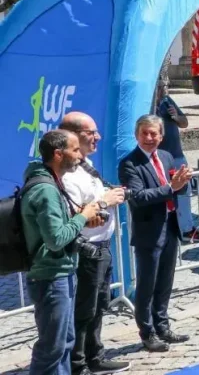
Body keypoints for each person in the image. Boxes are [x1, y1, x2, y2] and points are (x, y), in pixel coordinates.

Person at [21, 130, 102, 374]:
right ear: (58, 154)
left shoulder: (50, 181)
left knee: (64, 343)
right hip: (50, 277)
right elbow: (56, 239)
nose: (80, 155)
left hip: (60, 272)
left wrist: (81, 220)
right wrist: (82, 217)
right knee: (52, 348)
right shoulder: (45, 189)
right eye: (75, 150)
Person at [59, 113, 130, 374]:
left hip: (103, 246)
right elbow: (75, 212)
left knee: (99, 305)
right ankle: (77, 364)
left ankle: (94, 355)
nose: (97, 137)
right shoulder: (67, 175)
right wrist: (104, 202)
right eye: (91, 132)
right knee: (84, 309)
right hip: (86, 251)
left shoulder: (86, 165)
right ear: (73, 134)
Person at [118, 115, 193, 352]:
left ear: (161, 136)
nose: (149, 138)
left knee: (165, 282)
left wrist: (184, 181)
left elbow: (178, 188)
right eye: (145, 134)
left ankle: (163, 326)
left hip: (171, 225)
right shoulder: (130, 163)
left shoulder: (166, 156)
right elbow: (138, 197)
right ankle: (147, 332)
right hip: (149, 231)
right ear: (137, 135)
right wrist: (172, 187)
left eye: (154, 134)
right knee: (147, 285)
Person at [155, 85, 196, 241]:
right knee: (166, 192)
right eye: (160, 87)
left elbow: (184, 122)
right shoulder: (148, 103)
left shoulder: (167, 101)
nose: (162, 90)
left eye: (164, 87)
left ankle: (187, 229)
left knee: (185, 191)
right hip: (160, 158)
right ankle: (169, 229)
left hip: (178, 155)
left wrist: (176, 117)